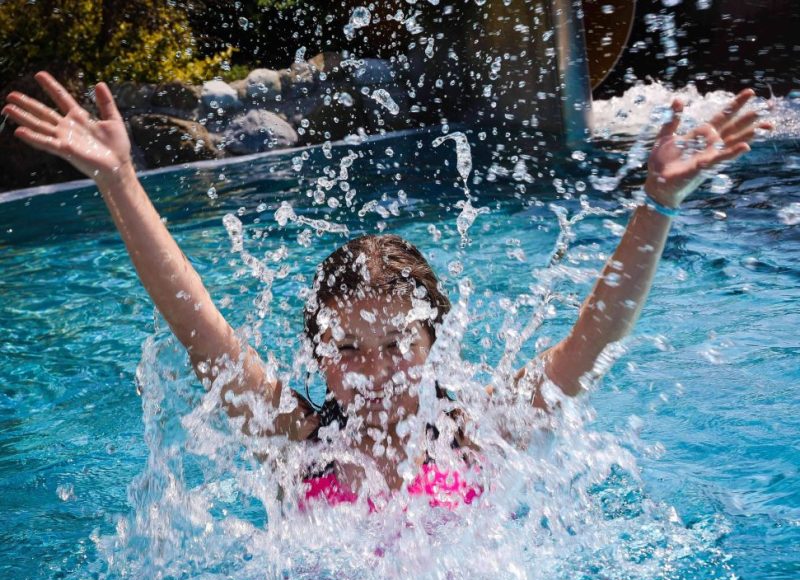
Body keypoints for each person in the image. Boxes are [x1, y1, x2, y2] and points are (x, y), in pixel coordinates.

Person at [1, 72, 771, 506]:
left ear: (434, 338)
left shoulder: (486, 434)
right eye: (347, 347)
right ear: (317, 351)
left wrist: (658, 203)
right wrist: (120, 181)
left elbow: (596, 336)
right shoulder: (296, 443)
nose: (374, 368)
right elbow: (193, 317)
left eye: (400, 342)